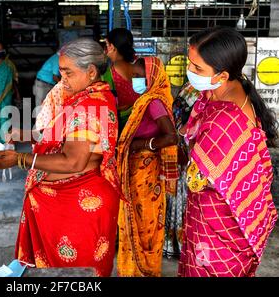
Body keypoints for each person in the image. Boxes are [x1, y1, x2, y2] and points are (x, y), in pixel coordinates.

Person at [0, 38, 120, 277]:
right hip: (69, 202)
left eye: (68, 73)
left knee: (74, 274)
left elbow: (74, 161)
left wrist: (20, 159)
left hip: (79, 205)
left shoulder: (89, 106)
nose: (62, 81)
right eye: (60, 73)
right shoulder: (82, 98)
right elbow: (60, 135)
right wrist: (24, 134)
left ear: (91, 71)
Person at [178, 27, 278, 277]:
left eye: (197, 68)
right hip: (233, 213)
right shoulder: (232, 88)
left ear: (222, 75)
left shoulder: (225, 117)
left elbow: (195, 179)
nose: (189, 71)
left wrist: (190, 148)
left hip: (217, 222)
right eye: (190, 63)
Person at [117, 56, 179, 277]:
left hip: (145, 168)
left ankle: (144, 270)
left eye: (137, 76)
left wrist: (143, 144)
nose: (134, 79)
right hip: (138, 167)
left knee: (145, 222)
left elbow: (171, 137)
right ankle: (136, 268)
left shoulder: (154, 102)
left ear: (151, 77)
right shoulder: (147, 99)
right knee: (138, 218)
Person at [163, 82, 200, 258]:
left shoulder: (205, 90)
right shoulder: (191, 89)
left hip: (194, 158)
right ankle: (180, 245)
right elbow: (179, 121)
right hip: (184, 156)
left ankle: (185, 245)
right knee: (180, 201)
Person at [102, 28, 138, 133]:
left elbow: (107, 100)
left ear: (112, 47)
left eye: (107, 45)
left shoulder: (111, 71)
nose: (106, 48)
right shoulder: (137, 68)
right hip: (137, 119)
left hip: (120, 124)